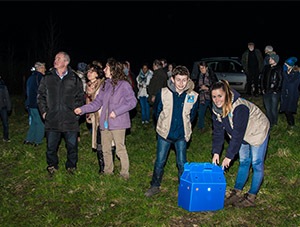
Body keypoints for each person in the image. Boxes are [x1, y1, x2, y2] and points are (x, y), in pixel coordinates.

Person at [74, 57, 137, 180]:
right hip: (105, 122)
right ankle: (108, 171)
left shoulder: (124, 85)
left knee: (120, 149)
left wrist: (117, 112)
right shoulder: (105, 85)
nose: (104, 69)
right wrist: (82, 109)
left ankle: (124, 173)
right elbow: (97, 103)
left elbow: (132, 102)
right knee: (105, 148)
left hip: (118, 123)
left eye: (106, 68)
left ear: (113, 70)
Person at [211, 79, 270, 207]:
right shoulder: (216, 110)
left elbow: (237, 134)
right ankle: (237, 191)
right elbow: (218, 133)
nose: (217, 100)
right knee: (244, 161)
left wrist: (229, 156)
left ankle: (251, 196)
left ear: (226, 94)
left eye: (220, 96)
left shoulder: (239, 107)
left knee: (256, 163)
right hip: (241, 134)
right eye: (214, 97)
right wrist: (216, 152)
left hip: (257, 130)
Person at [144, 65, 199, 197]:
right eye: (178, 79)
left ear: (188, 80)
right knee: (160, 161)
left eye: (184, 80)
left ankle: (184, 187)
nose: (181, 83)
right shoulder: (163, 93)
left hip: (181, 135)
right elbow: (157, 111)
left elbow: (192, 115)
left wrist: (185, 127)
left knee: (182, 163)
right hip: (165, 134)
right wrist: (162, 125)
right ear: (172, 79)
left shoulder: (193, 96)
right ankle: (155, 185)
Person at [37, 51, 85, 176]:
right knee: (51, 147)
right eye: (55, 58)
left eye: (58, 58)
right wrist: (44, 112)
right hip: (52, 118)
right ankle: (52, 165)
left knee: (72, 146)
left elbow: (81, 97)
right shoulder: (47, 77)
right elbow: (40, 96)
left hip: (70, 119)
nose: (55, 60)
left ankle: (71, 166)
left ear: (66, 62)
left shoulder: (74, 78)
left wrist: (76, 112)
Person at [85, 63, 106, 173]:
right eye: (88, 71)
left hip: (103, 115)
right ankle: (102, 167)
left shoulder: (103, 85)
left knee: (107, 140)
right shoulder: (88, 86)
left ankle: (108, 165)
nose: (89, 74)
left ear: (97, 74)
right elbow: (88, 101)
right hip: (94, 116)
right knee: (98, 141)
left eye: (92, 71)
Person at [24, 62, 46, 146]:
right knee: (40, 123)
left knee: (33, 122)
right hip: (37, 104)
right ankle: (38, 141)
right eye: (44, 67)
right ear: (40, 68)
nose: (45, 69)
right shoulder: (40, 77)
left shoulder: (30, 77)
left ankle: (28, 139)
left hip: (30, 104)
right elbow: (42, 91)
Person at [259, 53, 282, 128]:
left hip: (274, 92)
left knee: (273, 108)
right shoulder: (266, 68)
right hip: (266, 91)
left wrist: (276, 89)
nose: (269, 60)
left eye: (271, 59)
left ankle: (274, 123)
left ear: (275, 60)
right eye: (269, 59)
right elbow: (262, 78)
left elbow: (281, 80)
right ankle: (269, 123)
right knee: (268, 108)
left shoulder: (279, 69)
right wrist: (262, 88)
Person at [194, 61, 218, 131]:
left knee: (214, 113)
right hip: (202, 97)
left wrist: (208, 88)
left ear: (206, 67)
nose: (201, 70)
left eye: (203, 68)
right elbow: (196, 86)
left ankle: (216, 127)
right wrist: (200, 88)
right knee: (201, 112)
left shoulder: (211, 75)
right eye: (200, 68)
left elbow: (215, 85)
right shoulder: (199, 75)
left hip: (211, 97)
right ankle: (200, 127)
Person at [279, 57, 300, 130]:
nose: (284, 64)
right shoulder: (287, 71)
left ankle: (292, 125)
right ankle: (290, 124)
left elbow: (289, 80)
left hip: (292, 95)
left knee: (289, 110)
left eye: (286, 64)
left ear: (291, 65)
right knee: (286, 110)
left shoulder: (296, 73)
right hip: (286, 94)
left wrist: (285, 72)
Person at [0, 76, 12, 142]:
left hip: (3, 107)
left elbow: (7, 97)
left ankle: (6, 137)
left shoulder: (3, 86)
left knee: (5, 124)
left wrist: (9, 107)